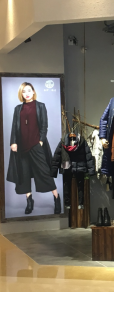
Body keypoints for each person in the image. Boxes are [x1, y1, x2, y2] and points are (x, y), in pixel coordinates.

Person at [7, 82, 61, 215]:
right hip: (21, 147)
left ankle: (56, 198)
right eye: (24, 91)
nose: (27, 93)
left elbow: (44, 126)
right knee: (24, 174)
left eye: (29, 90)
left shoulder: (40, 106)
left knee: (44, 172)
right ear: (21, 94)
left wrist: (41, 141)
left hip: (36, 145)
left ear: (33, 91)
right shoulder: (18, 109)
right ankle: (29, 201)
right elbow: (14, 127)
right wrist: (13, 142)